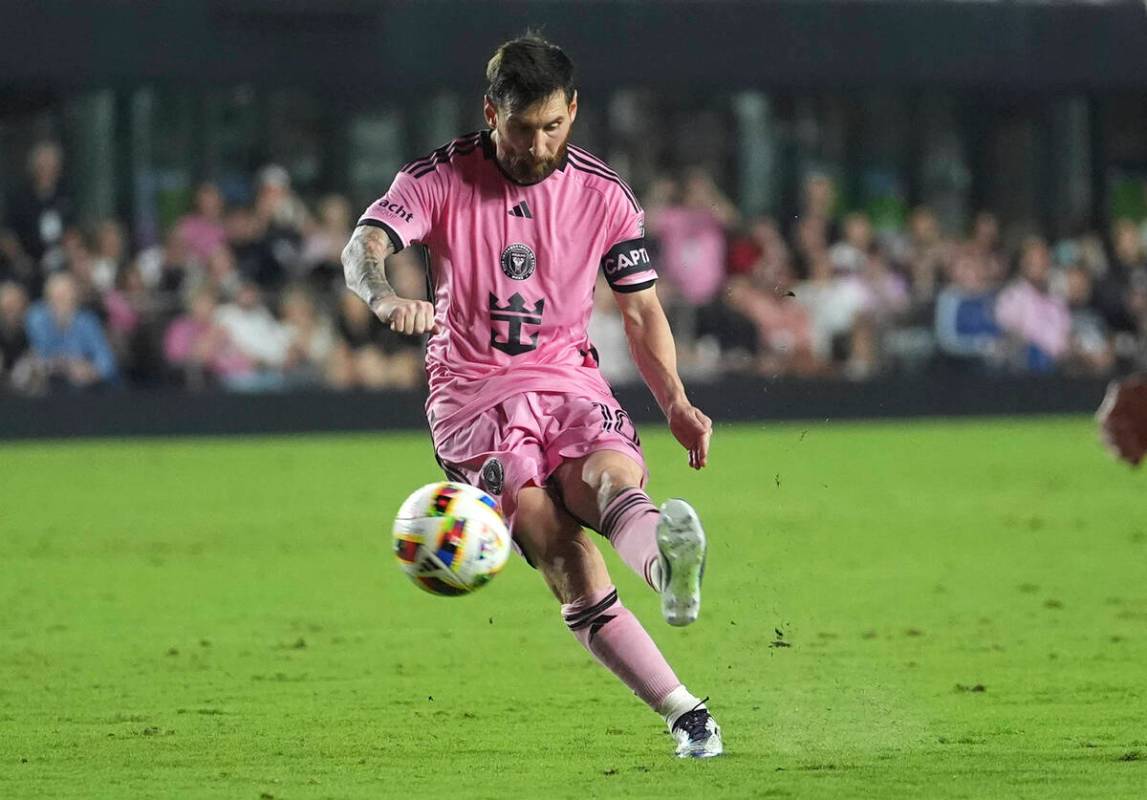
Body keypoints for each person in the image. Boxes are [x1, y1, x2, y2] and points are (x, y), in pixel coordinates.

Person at [341, 33, 721, 759]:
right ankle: (685, 712)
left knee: (612, 482)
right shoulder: (436, 178)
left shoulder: (605, 194)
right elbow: (363, 245)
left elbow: (640, 312)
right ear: (490, 112)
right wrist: (386, 299)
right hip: (473, 398)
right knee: (557, 543)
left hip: (568, 377)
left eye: (553, 126)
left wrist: (674, 400)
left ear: (573, 111)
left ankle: (669, 572)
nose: (537, 144)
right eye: (522, 128)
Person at [24, 271, 117, 391]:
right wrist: (66, 364)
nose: (60, 300)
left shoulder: (87, 321)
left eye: (65, 295)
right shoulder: (36, 317)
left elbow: (106, 360)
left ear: (76, 297)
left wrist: (92, 371)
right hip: (46, 382)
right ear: (47, 298)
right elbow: (40, 352)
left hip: (82, 386)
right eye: (56, 296)